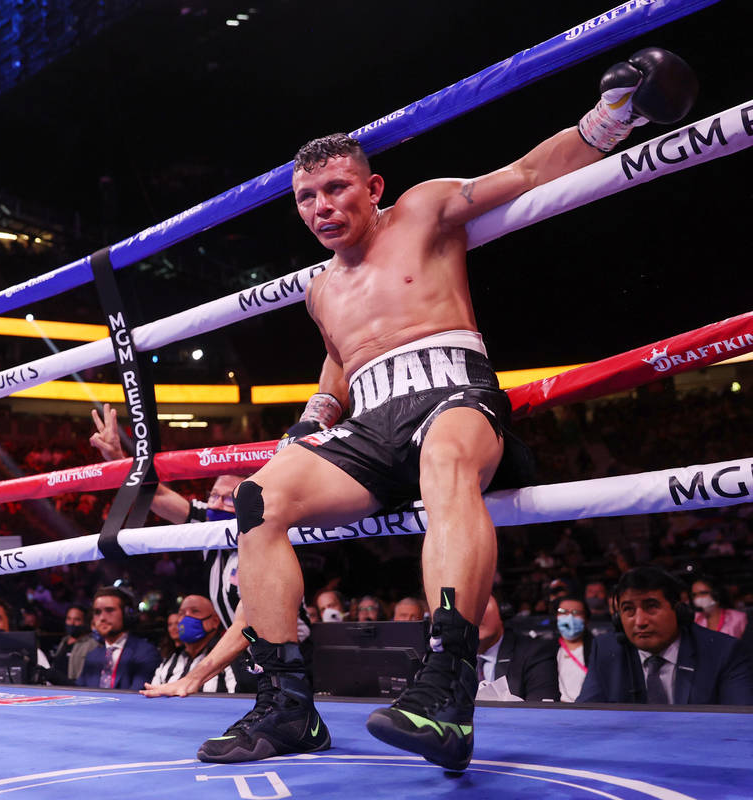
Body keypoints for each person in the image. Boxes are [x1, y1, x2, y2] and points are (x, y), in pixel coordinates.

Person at [200, 49, 698, 769]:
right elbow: (339, 366)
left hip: (452, 394)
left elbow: (527, 173)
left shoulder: (425, 209)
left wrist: (612, 117)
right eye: (308, 199)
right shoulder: (319, 291)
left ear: (373, 187)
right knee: (258, 497)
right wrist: (311, 421)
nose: (323, 209)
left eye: (337, 189)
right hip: (367, 424)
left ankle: (446, 690)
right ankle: (285, 708)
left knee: (444, 457)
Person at [89, 402, 261, 697]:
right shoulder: (211, 531)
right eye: (213, 496)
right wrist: (117, 460)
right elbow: (156, 494)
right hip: (255, 658)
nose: (216, 505)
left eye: (228, 500)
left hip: (287, 657)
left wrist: (193, 678)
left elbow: (248, 624)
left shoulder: (262, 537)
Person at [577, 566, 753, 705]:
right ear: (618, 618)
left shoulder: (723, 652)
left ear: (679, 610)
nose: (640, 621)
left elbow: (738, 728)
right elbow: (586, 720)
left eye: (651, 606)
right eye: (628, 609)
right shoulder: (606, 651)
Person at [474, 596, 557, 702]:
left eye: (483, 603)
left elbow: (541, 713)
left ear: (501, 610)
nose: (476, 613)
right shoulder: (449, 656)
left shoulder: (535, 653)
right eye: (469, 605)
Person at [150, 595, 239, 693]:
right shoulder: (170, 659)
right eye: (181, 613)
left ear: (215, 621)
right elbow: (154, 694)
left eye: (195, 611)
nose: (187, 616)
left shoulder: (229, 658)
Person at [77, 587, 159, 690]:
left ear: (126, 614)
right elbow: (79, 693)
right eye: (97, 612)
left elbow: (137, 698)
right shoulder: (92, 656)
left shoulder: (145, 653)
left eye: (109, 610)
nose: (102, 618)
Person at [553, 595, 593, 702]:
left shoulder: (597, 650)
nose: (569, 617)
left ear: (586, 619)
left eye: (576, 613)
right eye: (563, 612)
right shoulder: (546, 650)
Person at [691, 575, 747, 640]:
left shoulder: (738, 617)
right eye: (694, 595)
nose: (697, 598)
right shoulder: (694, 619)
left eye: (703, 593)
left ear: (716, 593)